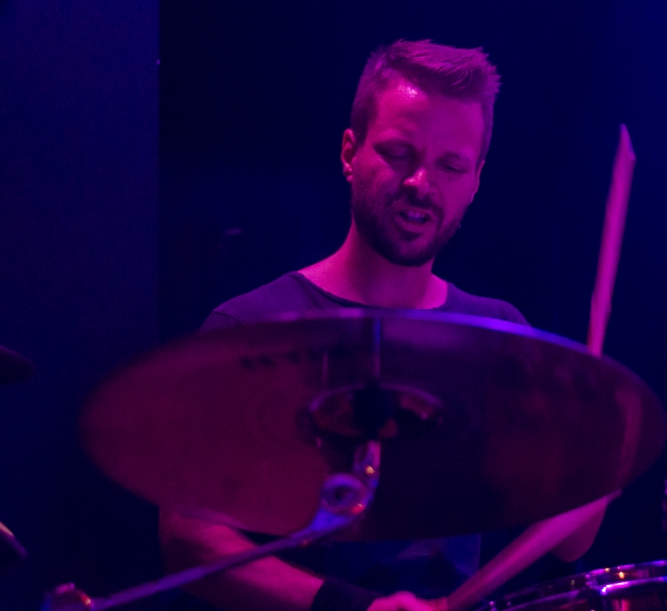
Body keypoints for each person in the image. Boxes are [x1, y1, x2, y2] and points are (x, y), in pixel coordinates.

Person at [160, 40, 597, 611]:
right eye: (398, 152)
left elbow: (572, 542)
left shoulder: (500, 336)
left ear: (475, 182)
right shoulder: (250, 327)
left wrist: (598, 447)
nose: (421, 183)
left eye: (450, 166)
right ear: (350, 152)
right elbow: (188, 539)